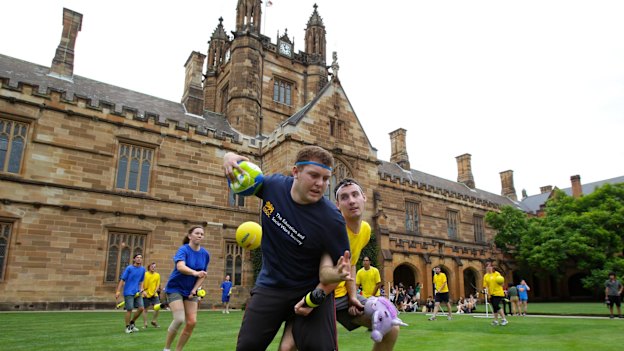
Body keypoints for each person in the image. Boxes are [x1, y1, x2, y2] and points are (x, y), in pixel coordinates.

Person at [224, 146, 351, 351]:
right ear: (295, 172)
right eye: (314, 175)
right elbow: (244, 174)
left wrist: (316, 296)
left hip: (309, 290)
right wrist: (229, 157)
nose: (321, 184)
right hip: (271, 286)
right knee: (247, 346)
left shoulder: (331, 219)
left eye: (326, 178)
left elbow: (340, 268)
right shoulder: (272, 187)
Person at [279, 177, 400, 351]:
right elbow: (324, 274)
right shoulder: (333, 229)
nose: (351, 201)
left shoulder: (365, 230)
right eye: (344, 197)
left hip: (342, 296)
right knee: (288, 347)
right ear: (337, 205)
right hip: (315, 293)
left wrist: (352, 296)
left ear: (364, 197)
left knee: (390, 326)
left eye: (355, 195)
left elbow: (351, 264)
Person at [162, 225, 210, 351]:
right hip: (175, 288)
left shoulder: (205, 254)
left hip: (190, 290)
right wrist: (195, 273)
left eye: (202, 234)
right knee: (179, 319)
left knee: (192, 322)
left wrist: (194, 289)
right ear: (189, 236)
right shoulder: (183, 250)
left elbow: (203, 275)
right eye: (197, 233)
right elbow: (180, 267)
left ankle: (178, 350)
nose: (200, 235)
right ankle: (166, 349)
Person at [115, 253, 146, 334]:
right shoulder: (129, 268)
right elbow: (122, 280)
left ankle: (132, 322)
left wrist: (142, 289)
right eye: (137, 257)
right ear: (134, 259)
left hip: (137, 292)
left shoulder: (143, 269)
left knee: (141, 308)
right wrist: (118, 291)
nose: (139, 259)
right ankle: (127, 327)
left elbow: (141, 280)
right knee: (130, 309)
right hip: (128, 292)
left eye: (140, 258)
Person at [142, 262, 162, 328]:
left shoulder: (157, 275)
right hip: (146, 294)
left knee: (157, 307)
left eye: (154, 267)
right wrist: (143, 291)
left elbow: (157, 285)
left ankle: (154, 321)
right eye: (152, 266)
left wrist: (155, 292)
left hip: (154, 294)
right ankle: (145, 323)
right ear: (149, 267)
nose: (153, 268)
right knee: (145, 309)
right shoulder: (145, 274)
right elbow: (141, 284)